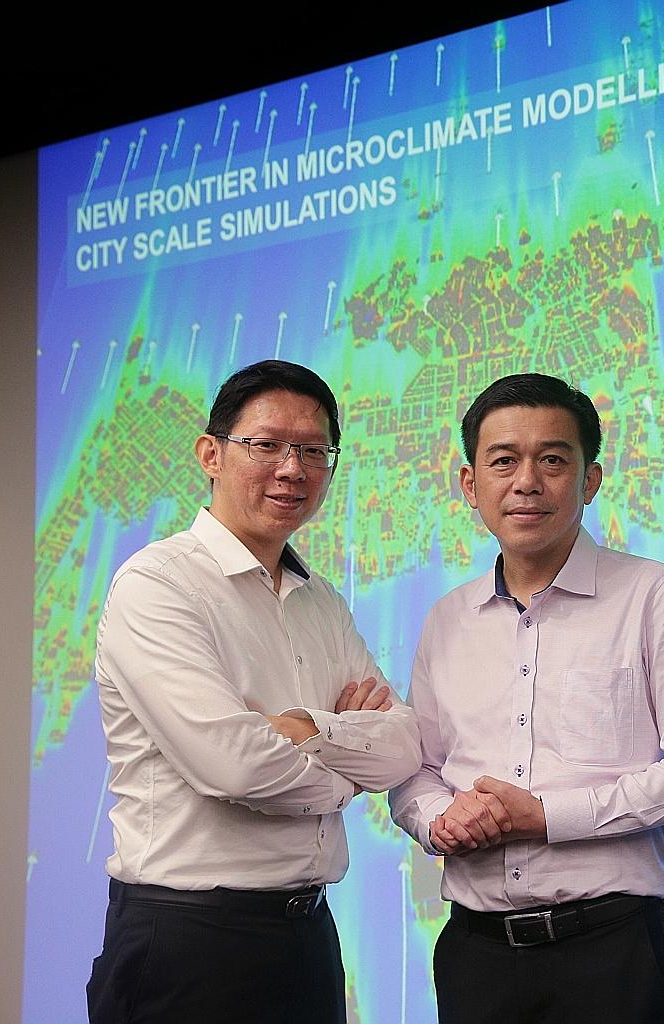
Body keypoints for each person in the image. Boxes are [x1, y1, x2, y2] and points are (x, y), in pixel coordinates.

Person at [87, 360, 421, 1024]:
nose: (292, 468)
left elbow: (403, 747)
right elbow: (234, 765)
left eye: (313, 450)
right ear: (210, 454)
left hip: (305, 939)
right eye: (266, 445)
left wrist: (304, 731)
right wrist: (346, 779)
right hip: (187, 942)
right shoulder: (157, 585)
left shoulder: (320, 599)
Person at [389, 373, 664, 1024]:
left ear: (590, 480)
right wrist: (438, 821)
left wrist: (548, 816)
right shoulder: (446, 619)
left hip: (610, 951)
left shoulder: (654, 594)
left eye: (553, 460)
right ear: (469, 484)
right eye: (504, 460)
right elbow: (415, 771)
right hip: (474, 953)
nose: (527, 481)